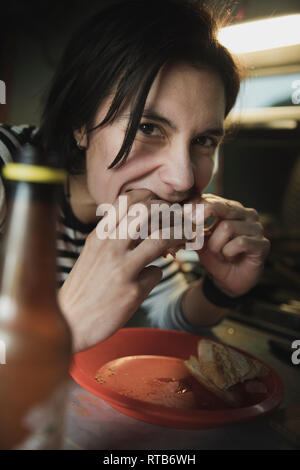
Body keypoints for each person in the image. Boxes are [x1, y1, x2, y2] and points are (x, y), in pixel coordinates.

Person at [0, 0, 270, 353]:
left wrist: (221, 290)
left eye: (203, 140)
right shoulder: (8, 166)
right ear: (80, 124)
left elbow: (164, 318)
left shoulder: (139, 215)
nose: (182, 179)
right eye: (148, 127)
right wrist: (63, 326)